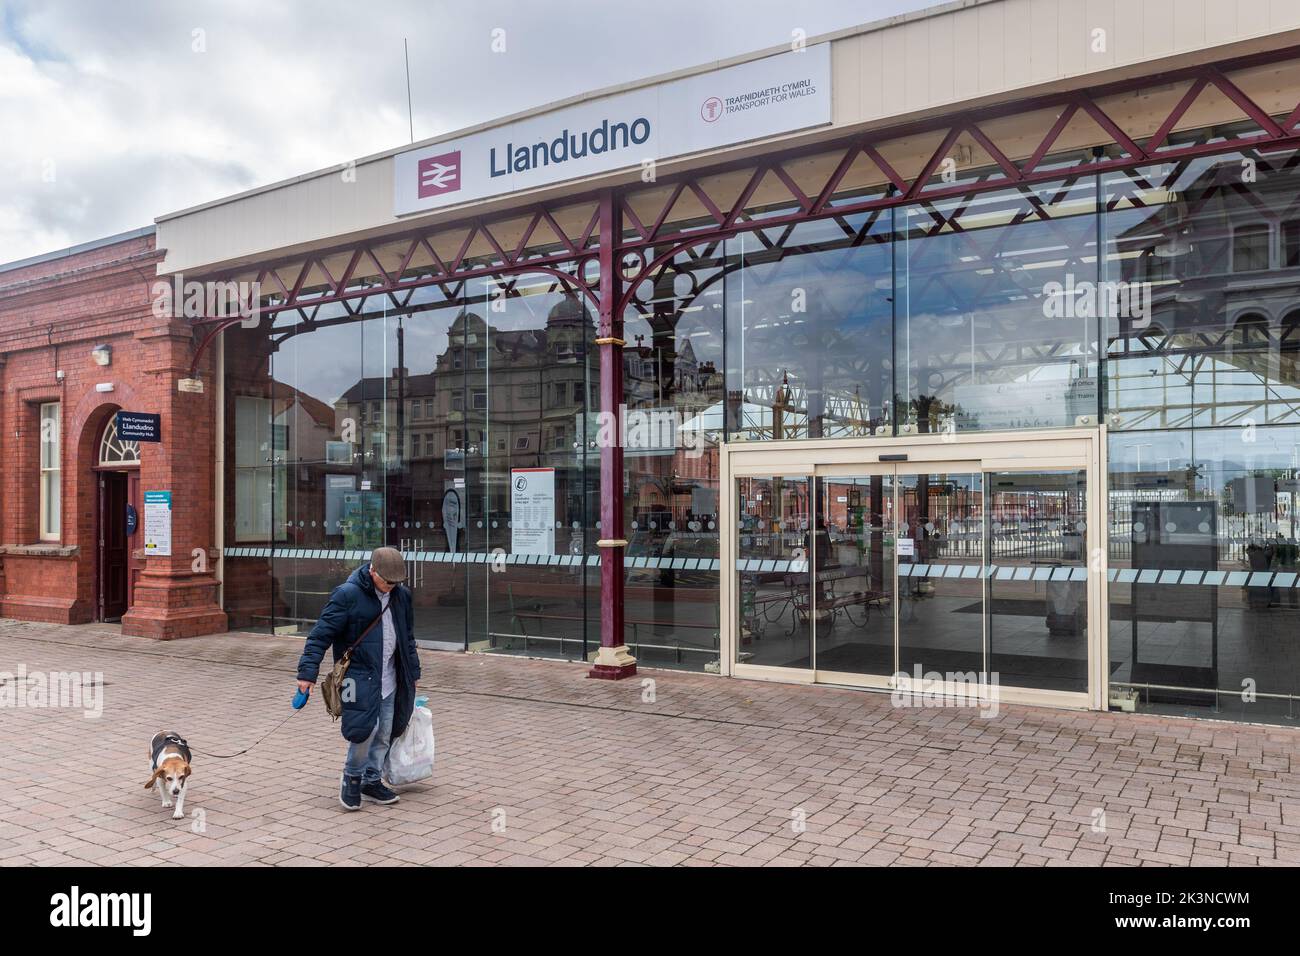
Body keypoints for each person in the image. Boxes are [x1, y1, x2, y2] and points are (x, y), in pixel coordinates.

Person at [295, 547, 421, 811]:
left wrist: (413, 673)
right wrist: (307, 673)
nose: (391, 587)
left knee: (386, 729)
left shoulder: (401, 597)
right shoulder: (347, 595)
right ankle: (352, 776)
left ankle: (371, 779)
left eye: (396, 583)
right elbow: (320, 635)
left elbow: (408, 639)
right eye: (387, 581)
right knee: (365, 729)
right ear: (372, 571)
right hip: (358, 676)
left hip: (391, 676)